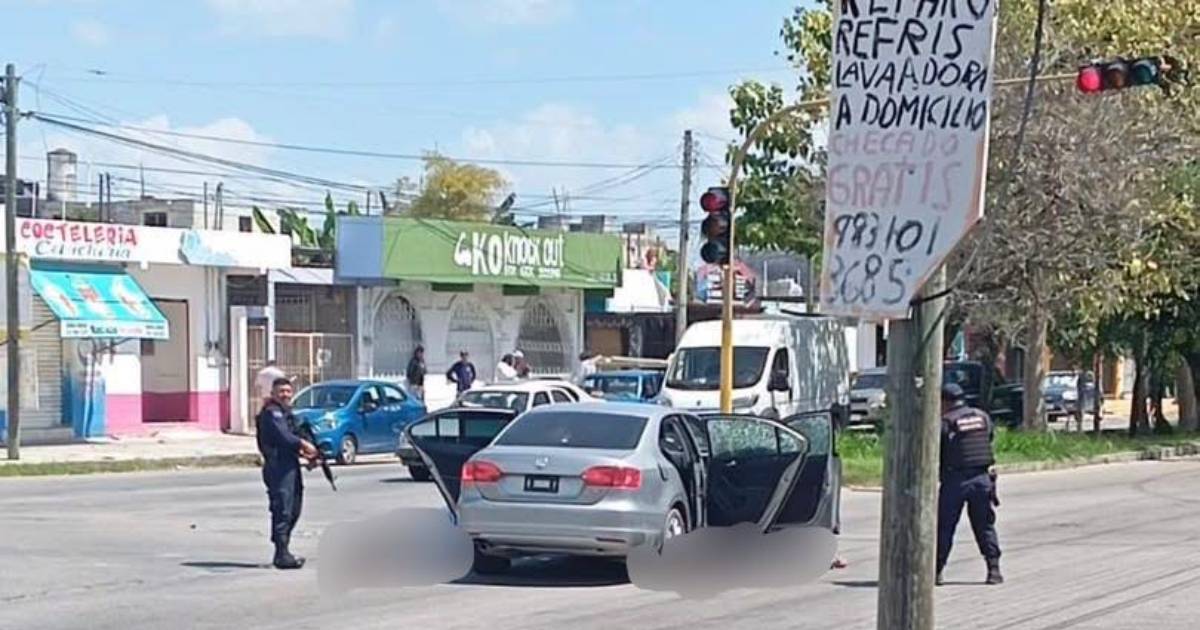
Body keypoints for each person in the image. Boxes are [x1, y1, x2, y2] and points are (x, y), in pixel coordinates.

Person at [937, 383, 1003, 586]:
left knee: (945, 527)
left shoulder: (946, 422)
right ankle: (994, 570)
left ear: (944, 401)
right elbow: (989, 438)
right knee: (985, 526)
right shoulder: (982, 417)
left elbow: (938, 448)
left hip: (955, 480)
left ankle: (936, 570)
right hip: (982, 479)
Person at [256, 377, 318, 570]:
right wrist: (302, 445)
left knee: (294, 508)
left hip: (290, 464)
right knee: (282, 508)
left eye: (288, 391)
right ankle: (282, 553)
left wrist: (311, 454)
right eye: (281, 391)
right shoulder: (271, 412)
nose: (285, 395)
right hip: (278, 466)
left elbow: (296, 433)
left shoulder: (287, 413)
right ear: (273, 394)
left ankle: (283, 548)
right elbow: (284, 436)